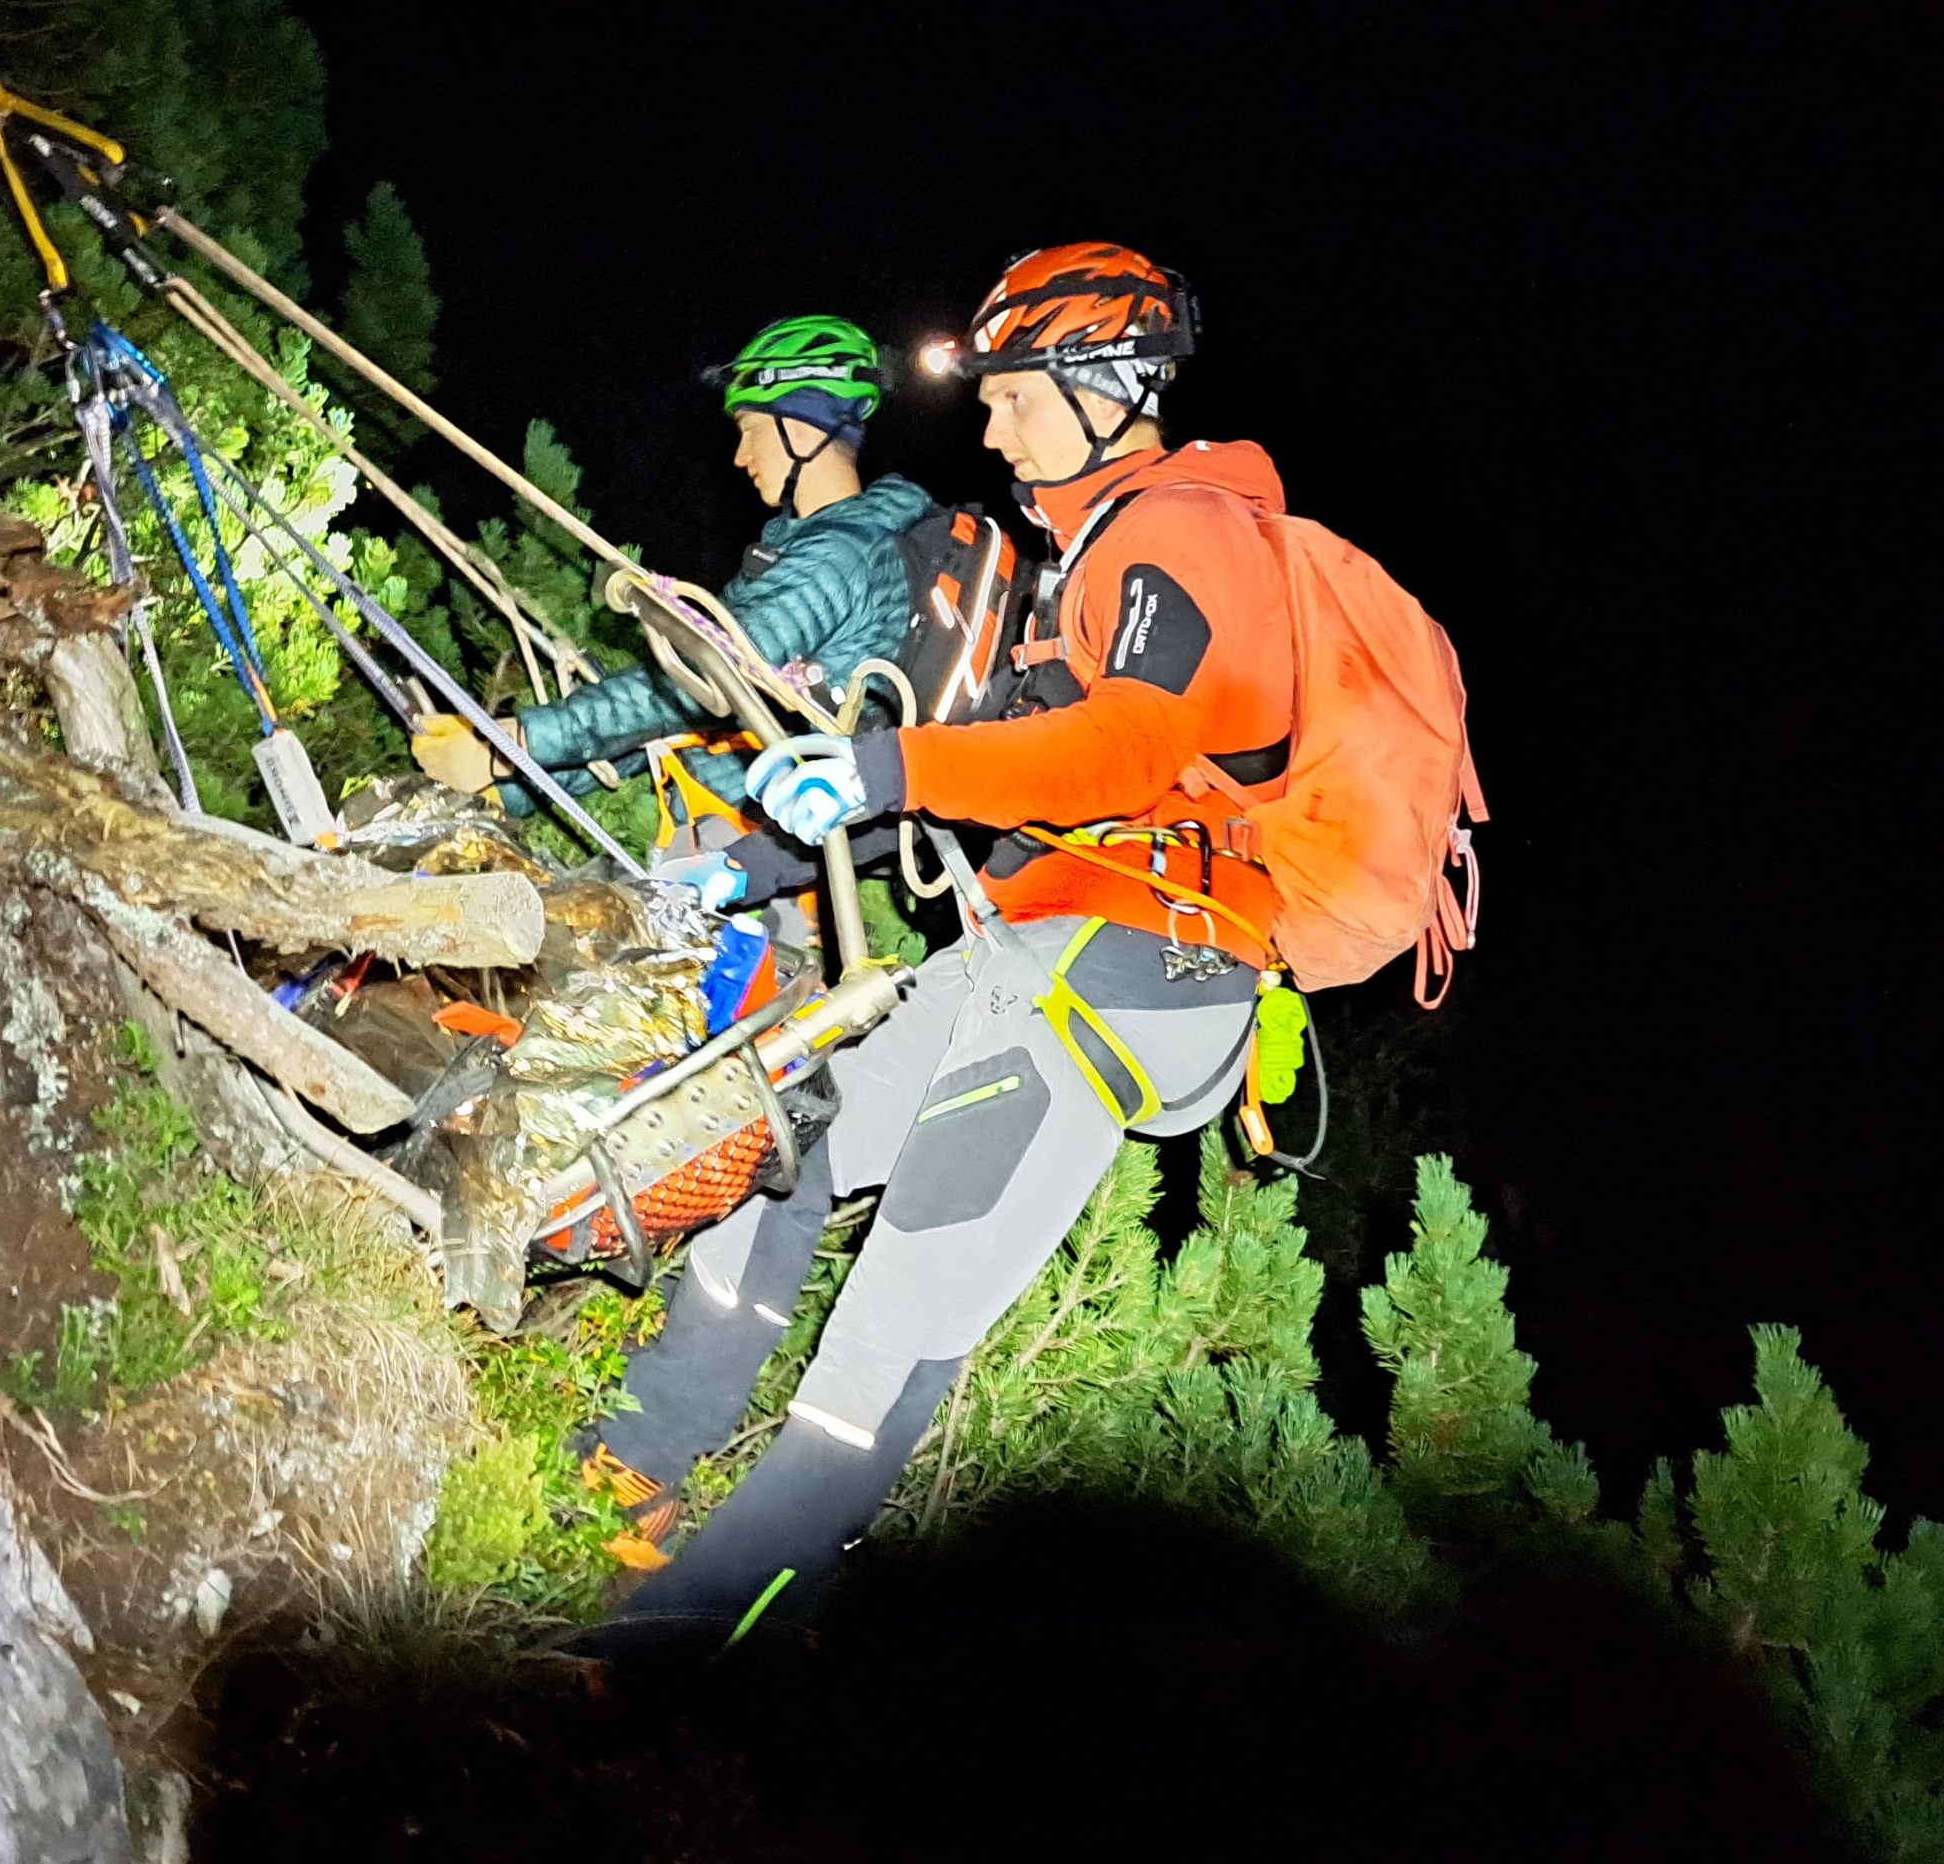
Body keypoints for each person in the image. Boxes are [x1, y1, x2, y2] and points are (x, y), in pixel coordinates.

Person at [591, 243, 1317, 1626]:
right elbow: (959, 768)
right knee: (782, 1138)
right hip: (1027, 945)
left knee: (896, 1313)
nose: (989, 423)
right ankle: (635, 1462)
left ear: (1108, 387)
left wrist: (884, 774)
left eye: (1015, 392)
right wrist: (745, 868)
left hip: (1144, 961)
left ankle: (679, 1650)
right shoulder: (1079, 566)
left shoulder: (1188, 527)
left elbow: (1124, 748)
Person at [408, 315, 932, 842]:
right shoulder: (803, 546)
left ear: (798, 428)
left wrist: (512, 744)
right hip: (737, 830)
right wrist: (513, 784)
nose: (740, 456)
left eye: (749, 431)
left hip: (765, 852)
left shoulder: (838, 557)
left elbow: (701, 681)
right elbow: (687, 710)